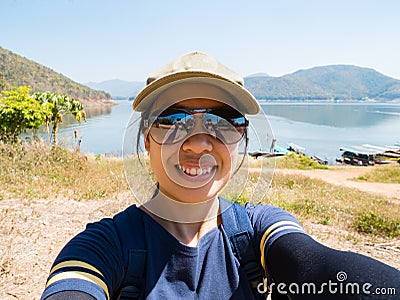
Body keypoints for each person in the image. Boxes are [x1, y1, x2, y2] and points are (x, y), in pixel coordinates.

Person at [41, 52, 399, 300]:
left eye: (222, 121)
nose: (199, 144)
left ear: (241, 139)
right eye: (174, 119)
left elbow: (318, 268)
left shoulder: (259, 231)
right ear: (146, 139)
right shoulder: (105, 248)